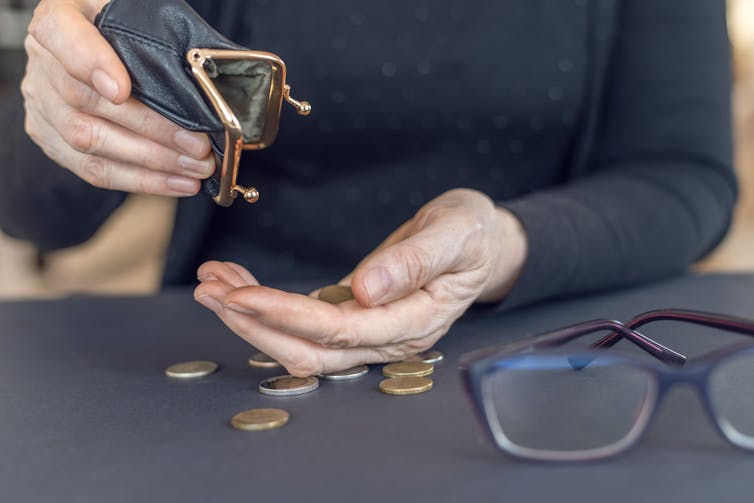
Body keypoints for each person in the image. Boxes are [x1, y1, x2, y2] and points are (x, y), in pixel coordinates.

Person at [0, 0, 737, 376]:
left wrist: (505, 244)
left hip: (545, 356)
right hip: (228, 354)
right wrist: (72, 100)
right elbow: (32, 209)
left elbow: (684, 177)